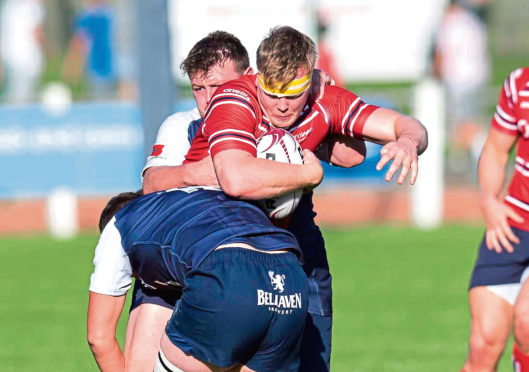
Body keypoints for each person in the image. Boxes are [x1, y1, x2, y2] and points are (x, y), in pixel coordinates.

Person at [178, 26, 427, 371]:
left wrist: (407, 142)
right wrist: (310, 174)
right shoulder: (236, 98)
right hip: (218, 242)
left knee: (313, 360)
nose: (281, 105)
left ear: (311, 81)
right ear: (257, 78)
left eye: (292, 94)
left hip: (292, 242)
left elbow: (405, 125)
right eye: (272, 92)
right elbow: (235, 180)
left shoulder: (324, 99)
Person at [138, 30, 365, 372]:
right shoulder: (181, 126)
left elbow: (352, 153)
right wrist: (201, 172)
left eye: (217, 87)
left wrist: (316, 90)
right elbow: (152, 184)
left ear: (250, 80)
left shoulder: (282, 113)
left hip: (296, 259)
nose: (207, 99)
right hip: (203, 262)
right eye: (198, 89)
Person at [88, 187, 308, 372]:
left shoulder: (117, 227)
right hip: (291, 274)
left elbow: (99, 338)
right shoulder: (188, 203)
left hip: (228, 272)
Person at [462, 67, 529, 372]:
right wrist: (489, 200)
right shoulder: (520, 84)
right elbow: (495, 150)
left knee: (527, 321)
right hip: (512, 226)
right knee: (483, 344)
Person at [433, 0, 491, 176]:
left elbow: (442, 53)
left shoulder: (450, 23)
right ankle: (471, 157)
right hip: (477, 77)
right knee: (470, 119)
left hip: (458, 79)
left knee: (462, 123)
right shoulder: (473, 22)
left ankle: (477, 157)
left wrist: (436, 75)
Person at [62, 0, 116, 99]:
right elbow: (79, 42)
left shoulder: (109, 15)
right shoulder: (88, 18)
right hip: (96, 67)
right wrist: (71, 67)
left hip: (109, 66)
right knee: (100, 97)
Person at [0, 0, 45, 103]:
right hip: (28, 61)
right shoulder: (33, 7)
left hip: (10, 60)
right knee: (24, 102)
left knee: (14, 99)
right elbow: (37, 33)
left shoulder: (8, 5)